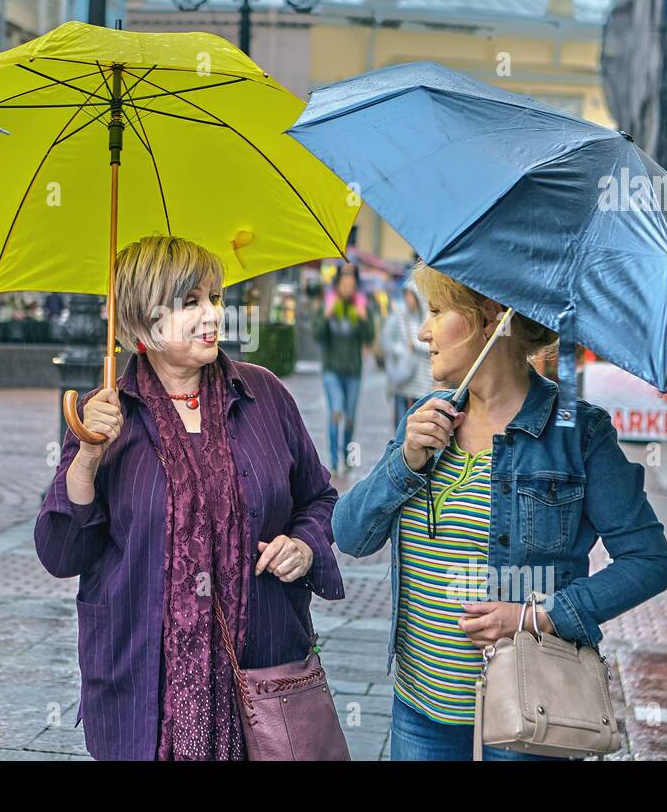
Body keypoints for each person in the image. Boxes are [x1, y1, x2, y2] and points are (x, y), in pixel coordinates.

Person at [333, 265, 667, 761]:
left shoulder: (578, 434)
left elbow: (649, 560)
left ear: (492, 318)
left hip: (527, 715)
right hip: (419, 706)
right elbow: (349, 534)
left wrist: (540, 617)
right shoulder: (427, 417)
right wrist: (404, 462)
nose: (424, 333)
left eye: (436, 312)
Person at [34, 235, 344, 761]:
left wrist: (304, 545)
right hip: (141, 683)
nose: (212, 316)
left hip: (258, 671)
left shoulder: (263, 394)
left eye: (215, 298)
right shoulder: (103, 411)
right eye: (190, 302)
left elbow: (318, 498)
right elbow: (62, 553)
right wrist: (88, 455)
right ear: (139, 323)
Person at [314, 263, 375, 476]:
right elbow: (318, 335)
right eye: (344, 283)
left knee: (349, 417)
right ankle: (332, 460)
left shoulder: (360, 305)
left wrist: (364, 317)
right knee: (336, 413)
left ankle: (348, 456)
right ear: (338, 285)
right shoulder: (329, 304)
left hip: (353, 371)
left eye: (351, 283)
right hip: (332, 369)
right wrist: (327, 315)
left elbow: (369, 336)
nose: (348, 286)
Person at [382, 277, 434, 422]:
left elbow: (431, 345)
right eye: (406, 295)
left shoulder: (426, 318)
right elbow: (388, 341)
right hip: (403, 380)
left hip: (422, 382)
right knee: (401, 422)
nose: (408, 299)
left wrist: (415, 346)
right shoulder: (398, 316)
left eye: (411, 295)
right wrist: (402, 351)